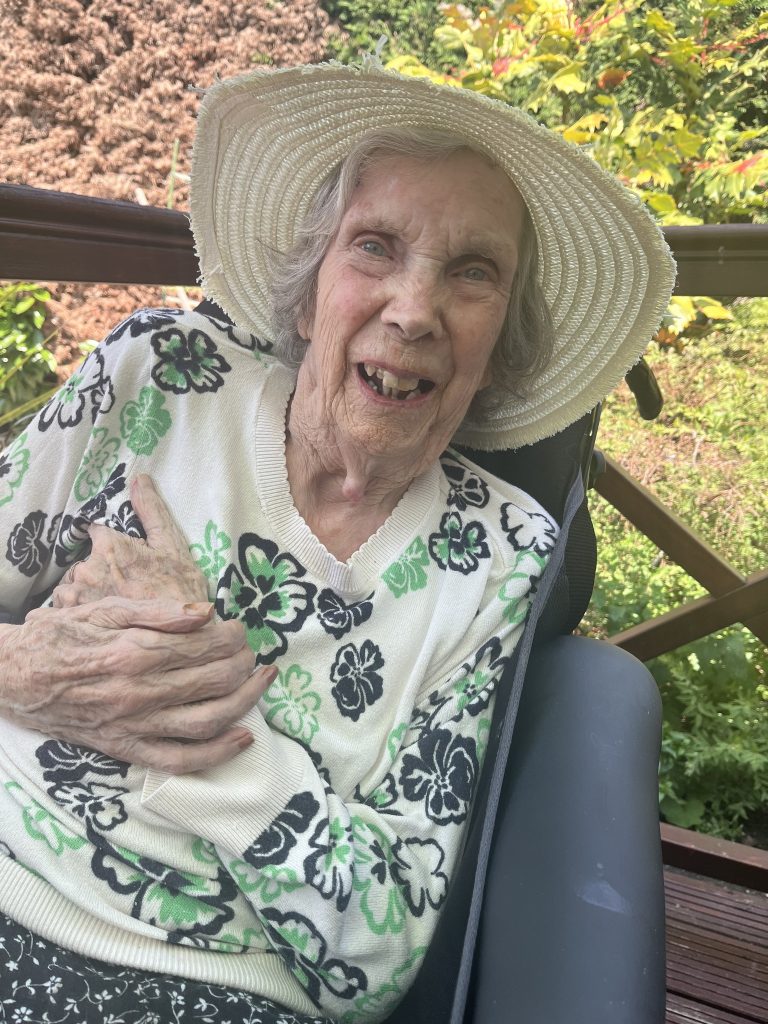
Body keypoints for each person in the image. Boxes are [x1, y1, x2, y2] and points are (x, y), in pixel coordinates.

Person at [0, 58, 675, 1023]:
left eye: (473, 272)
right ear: (311, 289)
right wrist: (29, 672)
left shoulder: (496, 552)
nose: (413, 310)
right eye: (374, 247)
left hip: (210, 994)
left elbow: (375, 955)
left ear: (500, 345)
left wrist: (196, 708)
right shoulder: (162, 376)